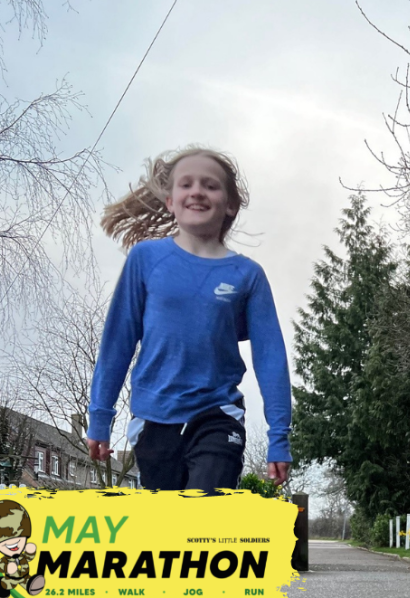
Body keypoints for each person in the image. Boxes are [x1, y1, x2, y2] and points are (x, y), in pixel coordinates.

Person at [86, 147, 291, 493]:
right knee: (169, 533)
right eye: (186, 184)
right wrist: (101, 416)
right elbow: (118, 342)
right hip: (154, 417)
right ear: (170, 201)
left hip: (217, 412)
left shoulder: (247, 275)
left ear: (229, 204)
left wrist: (279, 437)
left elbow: (270, 357)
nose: (197, 191)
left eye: (210, 185)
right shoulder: (146, 259)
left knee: (204, 509)